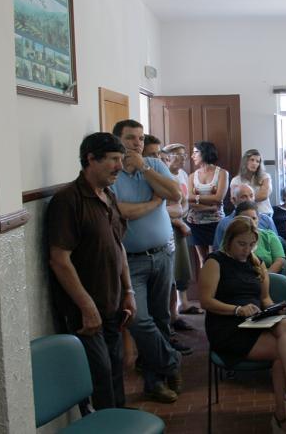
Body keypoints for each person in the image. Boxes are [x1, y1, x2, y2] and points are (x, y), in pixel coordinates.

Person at [47, 132, 135, 410]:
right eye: (113, 159)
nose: (119, 166)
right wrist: (86, 306)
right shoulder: (67, 200)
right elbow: (59, 260)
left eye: (121, 159)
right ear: (91, 159)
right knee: (100, 377)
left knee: (115, 370)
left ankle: (119, 422)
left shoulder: (108, 196)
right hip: (85, 312)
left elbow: (118, 247)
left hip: (112, 305)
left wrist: (128, 290)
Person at [200, 217, 286, 434]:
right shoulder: (215, 261)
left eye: (251, 244)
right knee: (285, 353)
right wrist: (237, 310)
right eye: (241, 244)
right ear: (229, 240)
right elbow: (206, 301)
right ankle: (284, 412)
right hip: (228, 327)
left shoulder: (255, 262)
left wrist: (274, 309)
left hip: (255, 322)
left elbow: (265, 299)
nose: (246, 249)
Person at [111, 119, 182, 403]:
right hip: (131, 261)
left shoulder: (153, 165)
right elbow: (121, 211)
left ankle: (156, 382)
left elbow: (174, 194)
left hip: (163, 254)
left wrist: (144, 168)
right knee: (138, 320)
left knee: (161, 317)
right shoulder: (113, 172)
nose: (137, 143)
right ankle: (171, 361)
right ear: (118, 140)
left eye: (140, 138)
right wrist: (154, 203)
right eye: (130, 138)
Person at [162, 143, 200, 316]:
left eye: (184, 155)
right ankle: (171, 310)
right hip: (169, 224)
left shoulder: (183, 174)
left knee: (183, 264)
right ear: (167, 157)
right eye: (178, 155)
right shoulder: (164, 175)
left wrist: (182, 215)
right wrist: (178, 222)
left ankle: (183, 303)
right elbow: (162, 207)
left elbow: (184, 200)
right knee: (172, 266)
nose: (183, 158)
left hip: (181, 221)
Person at [187, 141, 228, 267]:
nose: (192, 156)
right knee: (202, 260)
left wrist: (196, 198)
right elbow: (189, 199)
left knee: (214, 258)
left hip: (216, 222)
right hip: (195, 222)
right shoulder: (192, 176)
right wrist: (209, 206)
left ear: (205, 153)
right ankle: (203, 280)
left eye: (195, 152)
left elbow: (219, 198)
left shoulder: (222, 173)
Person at [214, 184, 278, 250]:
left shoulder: (266, 220)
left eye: (251, 196)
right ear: (234, 200)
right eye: (243, 197)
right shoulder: (224, 223)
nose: (249, 200)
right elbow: (218, 249)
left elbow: (277, 244)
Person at [234, 201, 286, 273]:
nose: (251, 222)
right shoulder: (231, 237)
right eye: (246, 218)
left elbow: (280, 260)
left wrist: (265, 276)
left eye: (254, 218)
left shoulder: (269, 235)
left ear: (258, 219)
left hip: (267, 275)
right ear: (236, 220)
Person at [231, 149, 272, 217]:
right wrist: (250, 199)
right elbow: (234, 199)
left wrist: (243, 198)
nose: (254, 163)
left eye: (257, 161)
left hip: (264, 213)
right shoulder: (236, 180)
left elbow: (263, 195)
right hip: (243, 214)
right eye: (252, 160)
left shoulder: (265, 177)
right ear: (245, 161)